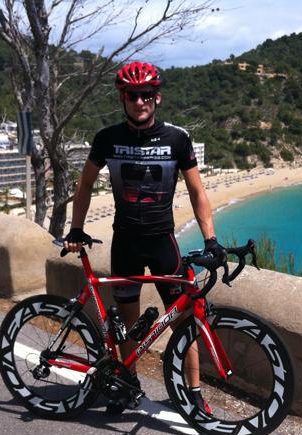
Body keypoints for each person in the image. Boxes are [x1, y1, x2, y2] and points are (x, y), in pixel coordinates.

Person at [64, 61, 223, 413]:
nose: (140, 101)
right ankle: (125, 381)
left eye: (147, 94)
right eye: (133, 95)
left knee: (185, 320)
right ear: (123, 98)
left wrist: (211, 239)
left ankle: (192, 392)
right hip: (126, 243)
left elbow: (198, 191)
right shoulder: (107, 138)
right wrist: (76, 227)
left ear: (157, 97)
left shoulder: (177, 139)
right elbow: (86, 184)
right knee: (128, 321)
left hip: (163, 242)